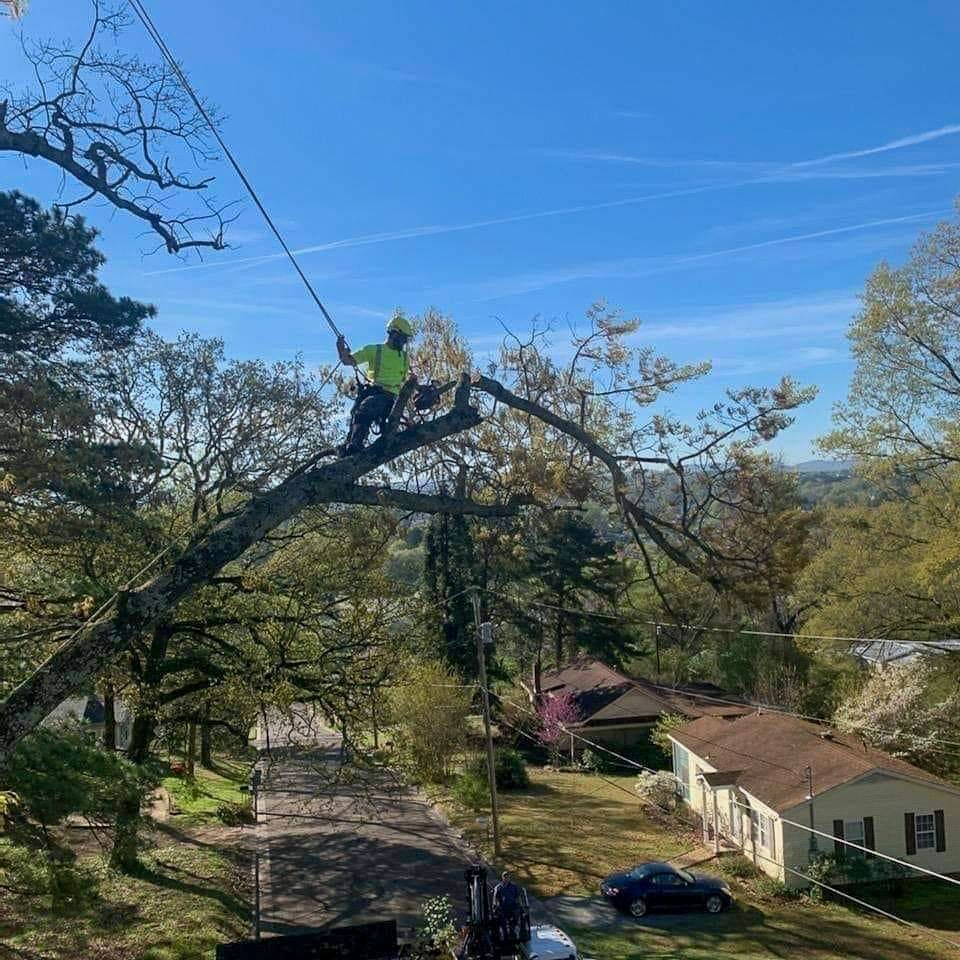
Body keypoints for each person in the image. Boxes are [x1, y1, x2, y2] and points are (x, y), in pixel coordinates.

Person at [337, 312, 415, 455]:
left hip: (390, 399)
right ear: (394, 333)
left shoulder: (404, 357)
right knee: (357, 413)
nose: (404, 342)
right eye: (403, 338)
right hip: (372, 392)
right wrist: (341, 350)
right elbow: (348, 360)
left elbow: (405, 380)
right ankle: (350, 446)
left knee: (365, 409)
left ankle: (357, 445)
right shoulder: (374, 350)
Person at [492, 870, 521, 940]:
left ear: (509, 878)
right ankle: (505, 933)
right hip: (503, 907)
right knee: (501, 918)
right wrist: (495, 907)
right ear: (502, 878)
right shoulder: (498, 888)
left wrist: (518, 904)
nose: (506, 879)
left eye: (508, 877)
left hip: (512, 906)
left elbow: (517, 897)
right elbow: (495, 899)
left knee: (517, 914)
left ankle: (512, 930)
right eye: (505, 877)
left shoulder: (514, 887)